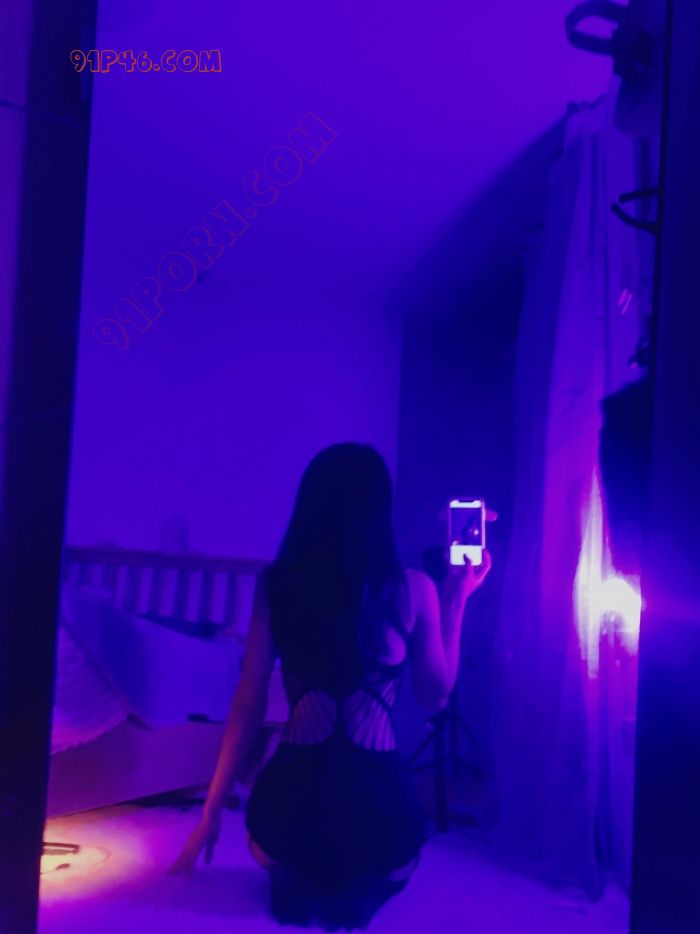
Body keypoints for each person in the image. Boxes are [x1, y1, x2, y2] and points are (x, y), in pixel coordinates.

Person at [171, 443, 491, 929]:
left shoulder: (278, 586)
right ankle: (348, 883)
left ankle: (304, 878)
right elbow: (436, 695)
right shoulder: (413, 588)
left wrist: (211, 812)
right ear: (380, 513)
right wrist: (457, 596)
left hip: (286, 823)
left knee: (264, 846)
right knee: (400, 856)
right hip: (382, 826)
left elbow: (247, 704)